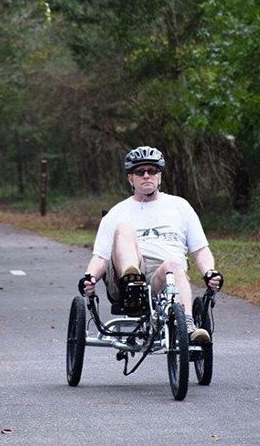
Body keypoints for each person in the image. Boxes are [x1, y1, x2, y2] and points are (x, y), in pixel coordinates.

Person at [78, 146, 224, 343]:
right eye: (140, 172)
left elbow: (200, 250)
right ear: (131, 178)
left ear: (160, 177)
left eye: (152, 171)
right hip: (126, 276)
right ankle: (133, 279)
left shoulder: (180, 206)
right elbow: (101, 257)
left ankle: (188, 325)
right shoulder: (116, 212)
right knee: (124, 228)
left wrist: (210, 273)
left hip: (164, 278)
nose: (146, 175)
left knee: (174, 264)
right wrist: (90, 278)